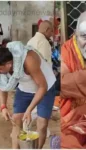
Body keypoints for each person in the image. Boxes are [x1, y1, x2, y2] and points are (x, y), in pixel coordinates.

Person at [0, 41, 56, 148]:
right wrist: (3, 107)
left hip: (45, 87)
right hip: (25, 89)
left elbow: (43, 87)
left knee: (42, 124)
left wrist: (29, 110)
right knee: (16, 120)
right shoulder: (1, 67)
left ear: (9, 64)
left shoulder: (28, 60)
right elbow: (1, 85)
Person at [61, 11, 86, 148]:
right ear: (75, 34)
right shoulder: (65, 51)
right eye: (84, 36)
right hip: (71, 119)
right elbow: (63, 83)